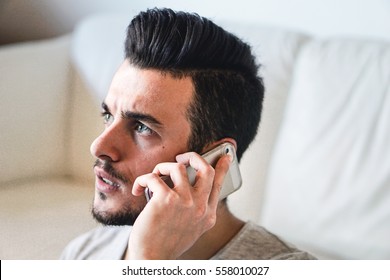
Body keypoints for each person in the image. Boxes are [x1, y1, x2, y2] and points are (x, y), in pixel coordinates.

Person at [61, 8, 315, 260]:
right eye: (109, 116)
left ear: (214, 162)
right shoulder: (85, 252)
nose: (99, 146)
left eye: (142, 127)